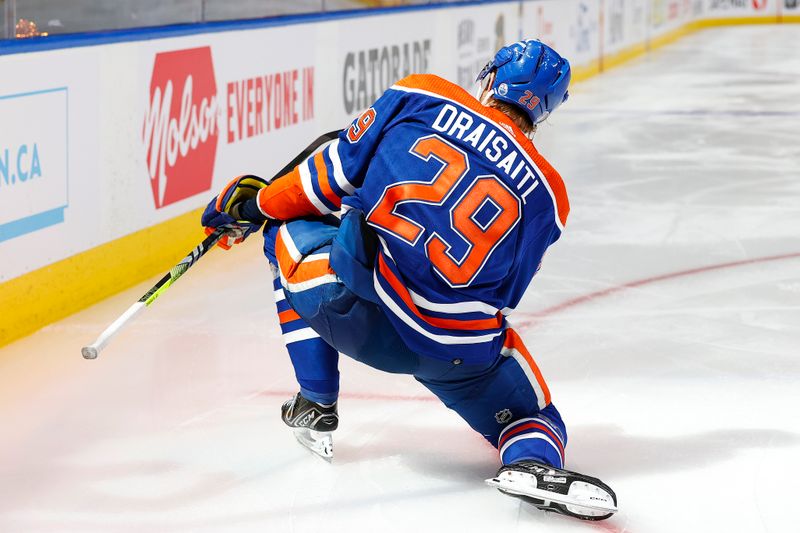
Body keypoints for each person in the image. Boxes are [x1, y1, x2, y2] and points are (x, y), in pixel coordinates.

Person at [201, 40, 617, 521]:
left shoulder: (420, 94)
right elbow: (507, 293)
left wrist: (253, 207)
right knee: (532, 416)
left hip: (351, 308)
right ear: (545, 108)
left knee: (287, 231)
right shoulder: (552, 197)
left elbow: (319, 184)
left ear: (493, 77)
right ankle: (531, 461)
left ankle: (316, 401)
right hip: (453, 352)